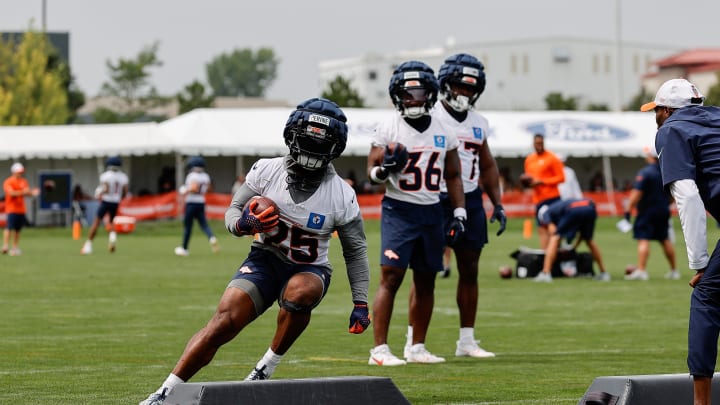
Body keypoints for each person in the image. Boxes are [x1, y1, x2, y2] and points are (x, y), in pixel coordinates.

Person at [139, 98, 371, 405]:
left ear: (335, 148)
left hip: (309, 268)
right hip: (265, 259)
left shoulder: (341, 193)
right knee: (223, 321)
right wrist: (243, 224)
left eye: (321, 144)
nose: (312, 151)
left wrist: (361, 301)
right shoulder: (267, 170)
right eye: (306, 140)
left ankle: (265, 367)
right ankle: (165, 392)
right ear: (292, 136)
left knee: (300, 293)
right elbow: (234, 210)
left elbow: (355, 250)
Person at [366, 60, 465, 366]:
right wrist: (385, 169)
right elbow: (370, 172)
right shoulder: (388, 127)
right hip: (399, 208)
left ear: (431, 94)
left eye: (419, 93)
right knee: (391, 277)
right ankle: (379, 350)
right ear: (397, 95)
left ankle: (416, 346)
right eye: (407, 94)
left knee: (426, 280)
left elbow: (453, 175)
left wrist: (459, 211)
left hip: (432, 210)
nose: (413, 99)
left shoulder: (443, 129)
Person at [415, 53, 506, 359]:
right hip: (433, 198)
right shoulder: (429, 115)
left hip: (469, 196)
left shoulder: (479, 122)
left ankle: (466, 340)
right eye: (459, 86)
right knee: (425, 272)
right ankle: (415, 342)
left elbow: (487, 163)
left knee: (470, 269)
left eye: (470, 88)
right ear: (445, 85)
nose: (464, 93)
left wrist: (498, 203)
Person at [642, 78, 719, 405]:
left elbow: (687, 196)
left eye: (656, 111)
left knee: (707, 298)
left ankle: (700, 401)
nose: (655, 118)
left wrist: (700, 263)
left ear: (666, 110)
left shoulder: (672, 130)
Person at [623, 145, 678, 281]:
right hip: (663, 210)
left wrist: (628, 208)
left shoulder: (645, 172)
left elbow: (636, 193)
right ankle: (674, 270)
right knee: (664, 239)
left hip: (647, 211)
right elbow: (672, 195)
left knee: (643, 238)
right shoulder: (667, 171)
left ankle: (641, 270)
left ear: (650, 157)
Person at [532, 198, 610, 282]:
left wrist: (556, 242)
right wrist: (574, 247)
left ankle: (545, 273)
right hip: (590, 208)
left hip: (573, 209)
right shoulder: (558, 207)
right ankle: (604, 273)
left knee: (555, 238)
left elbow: (553, 231)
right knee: (589, 240)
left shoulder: (546, 214)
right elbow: (582, 236)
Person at [520, 134, 565, 249]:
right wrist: (527, 184)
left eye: (541, 143)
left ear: (544, 143)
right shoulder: (529, 159)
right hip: (538, 199)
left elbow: (561, 177)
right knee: (541, 228)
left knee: (554, 228)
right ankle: (545, 255)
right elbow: (529, 178)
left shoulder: (552, 158)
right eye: (537, 143)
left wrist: (543, 181)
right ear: (533, 144)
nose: (539, 146)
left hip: (552, 198)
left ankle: (555, 253)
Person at [80, 156, 129, 255]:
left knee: (96, 222)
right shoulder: (123, 177)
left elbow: (106, 189)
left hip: (106, 201)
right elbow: (124, 192)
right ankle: (112, 237)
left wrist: (99, 192)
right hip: (115, 202)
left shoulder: (106, 176)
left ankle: (88, 245)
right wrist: (119, 198)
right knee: (111, 222)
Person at [174, 156, 219, 256]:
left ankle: (184, 248)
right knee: (204, 224)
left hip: (191, 202)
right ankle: (212, 238)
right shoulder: (205, 176)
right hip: (201, 202)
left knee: (188, 226)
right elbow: (208, 189)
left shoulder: (192, 175)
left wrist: (185, 189)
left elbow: (194, 188)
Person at [2, 163, 39, 256]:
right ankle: (5, 246)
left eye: (21, 172)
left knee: (18, 229)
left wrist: (32, 193)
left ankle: (15, 247)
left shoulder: (23, 181)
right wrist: (24, 192)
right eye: (18, 172)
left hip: (21, 209)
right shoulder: (8, 182)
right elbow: (11, 193)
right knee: (9, 227)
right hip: (11, 208)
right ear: (13, 172)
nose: (20, 174)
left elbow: (27, 193)